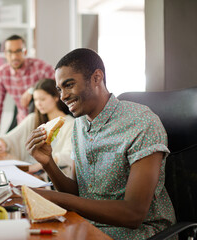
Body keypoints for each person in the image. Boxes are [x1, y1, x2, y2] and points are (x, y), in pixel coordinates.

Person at [25, 48, 176, 239]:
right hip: (89, 225)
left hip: (140, 232)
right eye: (59, 89)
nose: (63, 96)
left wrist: (54, 198)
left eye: (69, 85)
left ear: (97, 78)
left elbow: (134, 214)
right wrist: (48, 163)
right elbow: (79, 194)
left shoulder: (141, 122)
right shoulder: (79, 124)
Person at [0, 78, 75, 179]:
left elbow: (68, 155)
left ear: (56, 97)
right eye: (35, 100)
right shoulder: (33, 118)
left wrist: (42, 164)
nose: (38, 104)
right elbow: (11, 137)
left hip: (46, 176)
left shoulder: (70, 124)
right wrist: (2, 143)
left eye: (42, 99)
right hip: (27, 171)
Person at [0, 35, 55, 135]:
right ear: (5, 54)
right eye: (10, 52)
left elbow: (59, 84)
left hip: (45, 123)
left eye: (18, 51)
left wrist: (32, 90)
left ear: (25, 52)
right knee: (4, 144)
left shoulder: (40, 67)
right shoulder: (2, 73)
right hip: (23, 125)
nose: (14, 56)